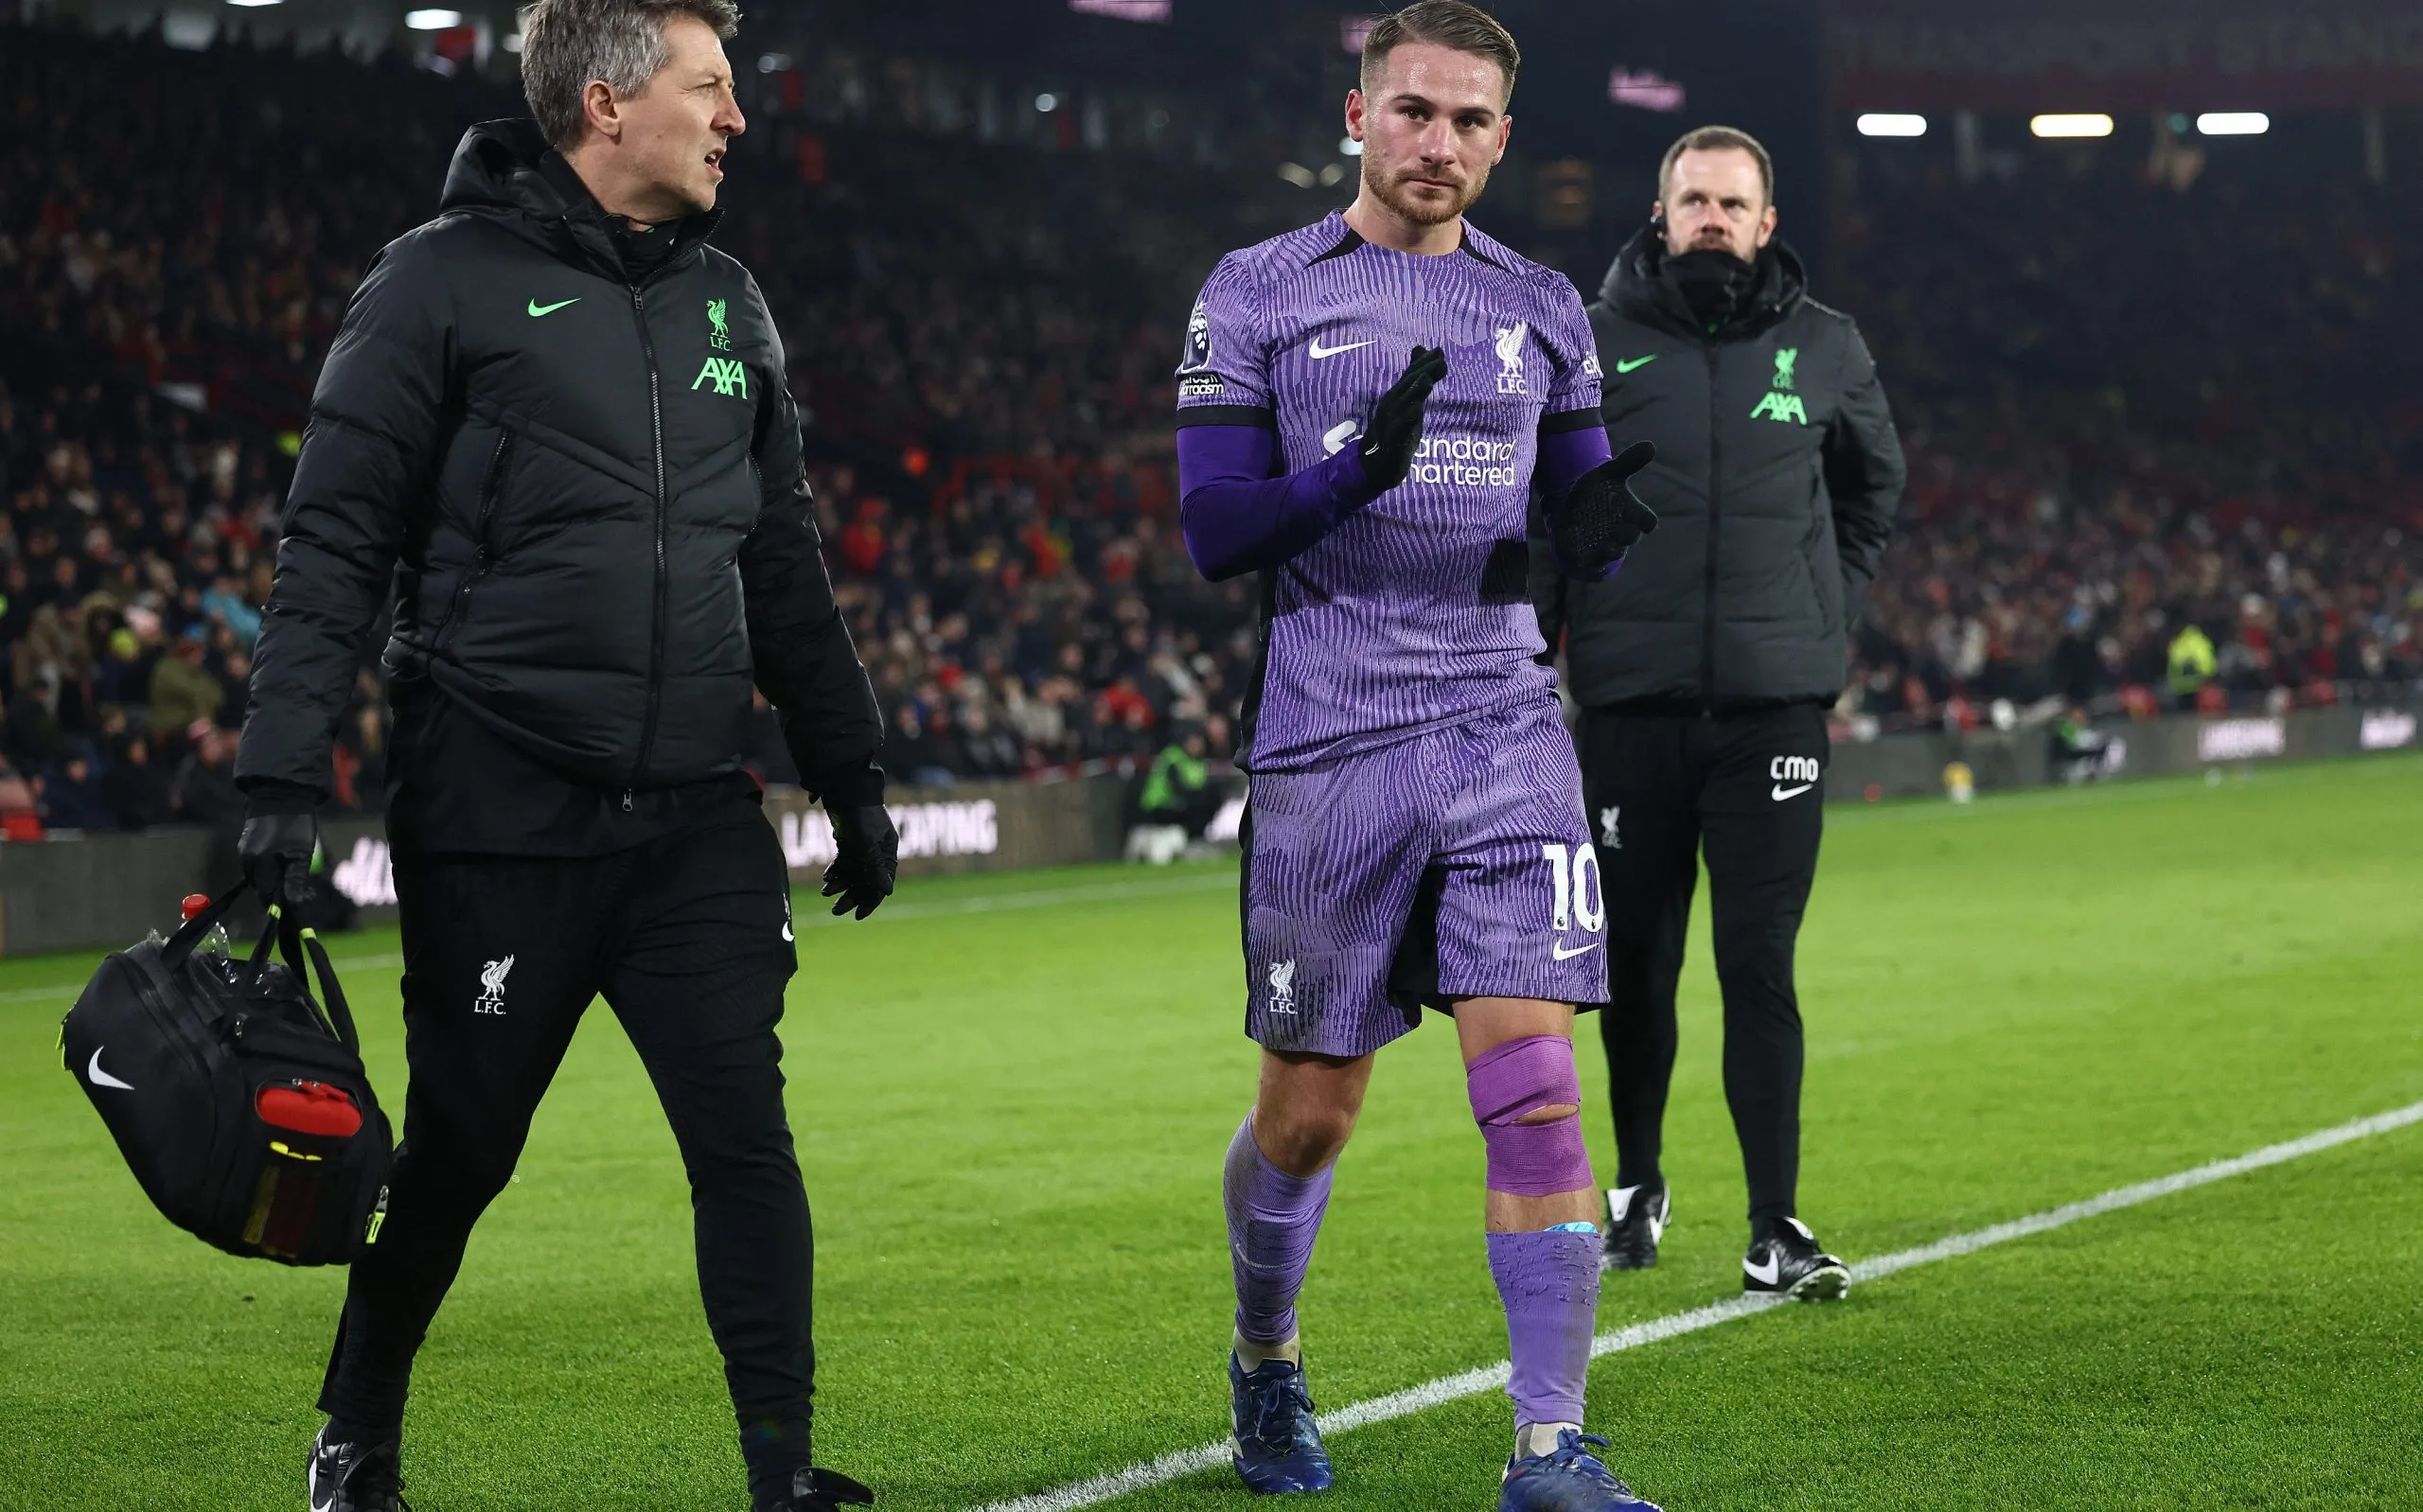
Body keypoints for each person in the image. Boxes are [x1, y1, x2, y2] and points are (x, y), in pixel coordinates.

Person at [230, 1, 894, 1507]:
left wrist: (849, 774)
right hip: (501, 811)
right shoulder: (436, 284)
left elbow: (783, 563)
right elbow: (331, 540)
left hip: (694, 821)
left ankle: (781, 1471)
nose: (738, 117)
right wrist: (281, 783)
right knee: (459, 1156)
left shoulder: (732, 302)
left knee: (745, 1135)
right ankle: (356, 1433)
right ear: (605, 102)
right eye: (710, 87)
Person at [1175, 6, 1661, 1507]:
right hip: (1331, 733)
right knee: (1310, 1114)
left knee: (1534, 1087)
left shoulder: (1544, 302)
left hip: (1509, 723)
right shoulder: (1258, 289)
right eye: (1413, 113)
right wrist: (1342, 475)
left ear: (1504, 137)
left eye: (1469, 121)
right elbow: (1213, 529)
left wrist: (1601, 536)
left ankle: (1548, 1444)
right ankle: (1267, 1361)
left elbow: (1580, 509)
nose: (1438, 142)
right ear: (1358, 114)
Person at [1534, 125, 1903, 1294]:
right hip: (1630, 713)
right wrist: (1549, 631)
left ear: (1765, 220)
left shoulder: (1826, 347)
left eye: (1730, 202)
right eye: (1691, 199)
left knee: (1758, 963)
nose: (1710, 217)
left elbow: (1871, 487)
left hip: (1768, 717)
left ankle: (1774, 1224)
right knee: (1634, 965)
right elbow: (1551, 506)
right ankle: (1636, 1187)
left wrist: (1821, 610)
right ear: (1660, 215)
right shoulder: (1590, 343)